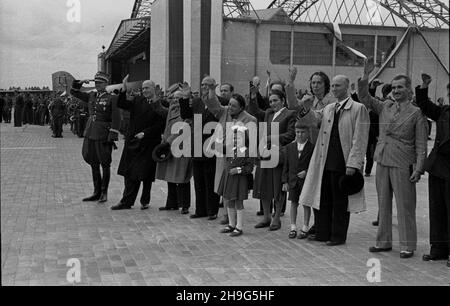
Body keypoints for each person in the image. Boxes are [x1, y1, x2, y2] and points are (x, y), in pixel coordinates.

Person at [359, 58, 428, 258]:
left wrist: (419, 168)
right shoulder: (385, 106)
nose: (396, 90)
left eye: (400, 87)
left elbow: (421, 144)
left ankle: (407, 245)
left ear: (409, 90)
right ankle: (383, 241)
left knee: (405, 205)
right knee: (383, 203)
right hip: (382, 158)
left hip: (403, 162)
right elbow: (364, 97)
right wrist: (366, 75)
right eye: (394, 87)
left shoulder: (417, 114)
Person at [298, 75, 369, 246]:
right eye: (333, 86)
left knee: (340, 202)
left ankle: (338, 236)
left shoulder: (358, 108)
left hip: (343, 163)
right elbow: (314, 121)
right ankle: (323, 233)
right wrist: (307, 109)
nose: (334, 89)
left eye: (338, 86)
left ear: (347, 88)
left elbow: (360, 138)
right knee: (323, 198)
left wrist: (354, 163)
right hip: (325, 161)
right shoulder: (330, 107)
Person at [111, 76, 167, 211]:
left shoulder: (161, 103)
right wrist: (124, 89)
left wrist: (145, 133)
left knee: (146, 174)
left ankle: (145, 200)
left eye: (147, 88)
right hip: (133, 141)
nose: (144, 90)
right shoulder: (137, 100)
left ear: (154, 89)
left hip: (149, 143)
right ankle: (126, 201)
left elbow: (161, 124)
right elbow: (122, 104)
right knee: (129, 172)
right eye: (143, 88)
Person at [248, 89, 296, 231]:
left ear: (282, 100)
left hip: (279, 154)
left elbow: (291, 134)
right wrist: (252, 97)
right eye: (270, 101)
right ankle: (266, 216)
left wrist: (272, 137)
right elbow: (255, 111)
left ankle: (276, 218)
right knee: (263, 185)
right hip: (264, 153)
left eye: (275, 100)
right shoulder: (269, 113)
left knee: (277, 186)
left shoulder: (290, 114)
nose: (272, 103)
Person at [70, 72, 121, 204]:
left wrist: (113, 135)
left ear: (106, 84)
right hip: (91, 132)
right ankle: (96, 192)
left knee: (105, 163)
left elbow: (116, 118)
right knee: (93, 162)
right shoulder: (91, 95)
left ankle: (104, 192)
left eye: (100, 83)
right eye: (96, 83)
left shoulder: (112, 98)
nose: (97, 85)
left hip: (103, 134)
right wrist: (78, 83)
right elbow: (74, 92)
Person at [416, 76, 450, 267]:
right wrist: (424, 86)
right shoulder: (444, 111)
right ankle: (438, 249)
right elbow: (424, 105)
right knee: (437, 209)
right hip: (437, 167)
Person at [179, 77, 221, 221]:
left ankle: (212, 210)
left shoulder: (219, 101)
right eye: (202, 84)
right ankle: (200, 210)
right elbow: (185, 115)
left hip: (211, 145)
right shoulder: (196, 101)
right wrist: (185, 97)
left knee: (210, 180)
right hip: (197, 146)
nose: (204, 87)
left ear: (213, 86)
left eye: (207, 85)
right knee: (198, 181)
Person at [155, 90, 193, 214]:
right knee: (169, 177)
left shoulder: (187, 111)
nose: (175, 100)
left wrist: (168, 141)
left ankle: (185, 205)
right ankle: (172, 203)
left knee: (182, 178)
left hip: (181, 148)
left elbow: (182, 128)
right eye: (174, 98)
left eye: (179, 98)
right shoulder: (171, 110)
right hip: (169, 147)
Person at [282, 122, 314, 239]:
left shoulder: (312, 148)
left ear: (308, 133)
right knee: (293, 203)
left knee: (306, 203)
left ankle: (305, 227)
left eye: (302, 132)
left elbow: (314, 165)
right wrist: (285, 181)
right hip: (293, 181)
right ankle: (293, 227)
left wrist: (306, 172)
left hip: (305, 182)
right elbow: (286, 165)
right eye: (297, 132)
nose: (300, 135)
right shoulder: (290, 147)